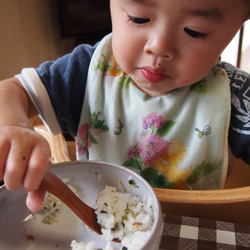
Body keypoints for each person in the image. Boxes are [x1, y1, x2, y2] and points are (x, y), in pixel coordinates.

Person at [0, 0, 250, 213]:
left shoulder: (236, 95)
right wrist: (12, 126)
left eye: (195, 31)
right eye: (138, 18)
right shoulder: (87, 72)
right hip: (95, 226)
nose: (158, 47)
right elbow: (12, 90)